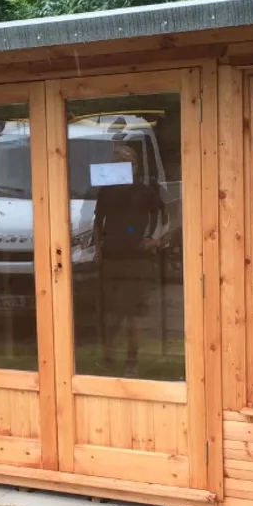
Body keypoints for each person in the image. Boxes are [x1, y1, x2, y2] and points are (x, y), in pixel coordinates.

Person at [91, 143, 167, 377]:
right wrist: (98, 250)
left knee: (132, 314)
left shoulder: (146, 191)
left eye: (125, 163)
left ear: (134, 166)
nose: (120, 167)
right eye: (116, 163)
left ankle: (132, 361)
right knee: (112, 312)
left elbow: (165, 219)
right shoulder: (105, 192)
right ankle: (108, 356)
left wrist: (154, 241)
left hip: (137, 260)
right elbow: (98, 223)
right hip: (111, 259)